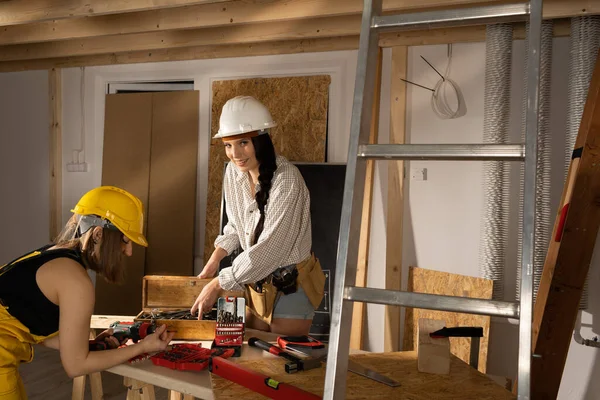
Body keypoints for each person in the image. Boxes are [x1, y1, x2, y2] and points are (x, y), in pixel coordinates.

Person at [0, 186, 174, 399]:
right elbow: (75, 366)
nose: (129, 252)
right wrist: (143, 347)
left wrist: (88, 345)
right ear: (99, 233)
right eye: (125, 241)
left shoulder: (52, 255)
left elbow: (27, 326)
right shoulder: (76, 282)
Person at [191, 95, 326, 336]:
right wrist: (214, 261)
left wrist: (219, 283)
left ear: (261, 140)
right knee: (253, 354)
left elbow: (270, 249)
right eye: (228, 145)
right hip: (257, 283)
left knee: (282, 362)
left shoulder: (287, 181)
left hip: (291, 284)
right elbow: (236, 226)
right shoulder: (234, 173)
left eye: (243, 142)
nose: (235, 154)